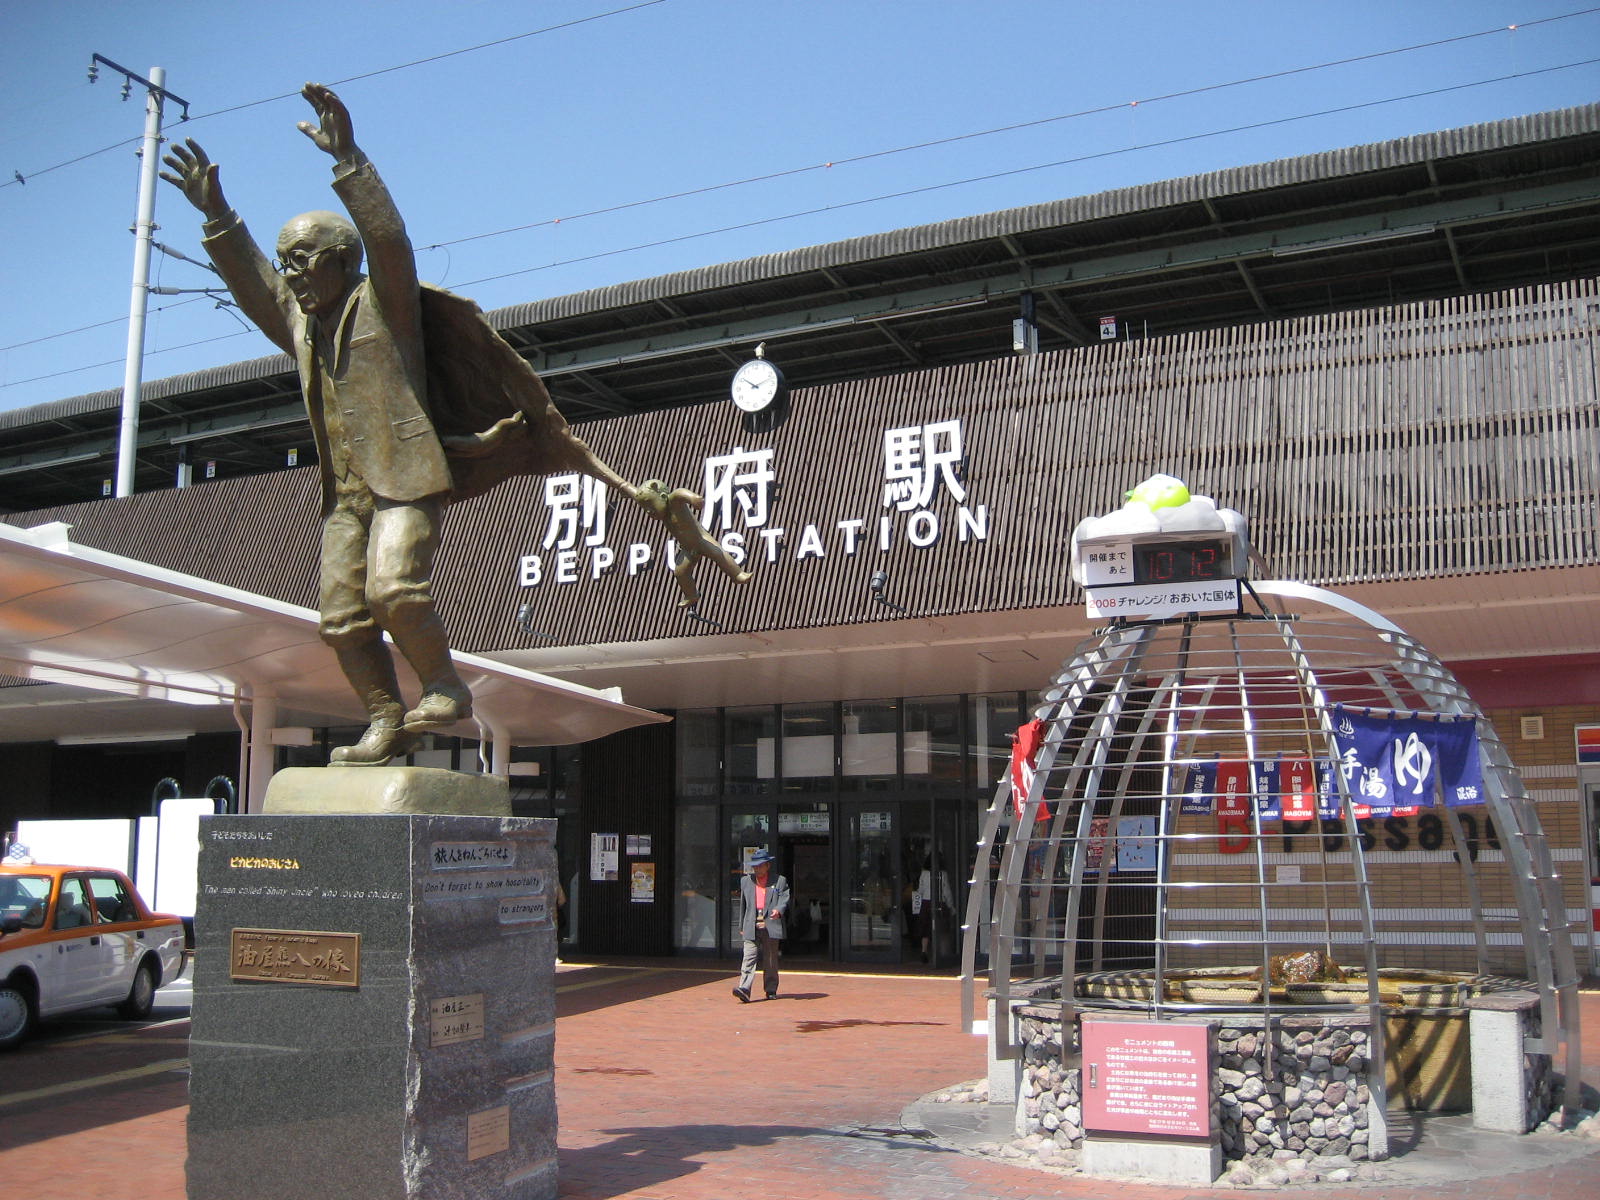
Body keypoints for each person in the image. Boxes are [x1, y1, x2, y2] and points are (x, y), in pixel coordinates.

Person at [162, 84, 746, 767]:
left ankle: (444, 690)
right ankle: (384, 716)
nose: (290, 275)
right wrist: (219, 215)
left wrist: (348, 159)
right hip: (345, 497)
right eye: (287, 261)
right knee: (341, 620)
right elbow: (254, 284)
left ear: (340, 262)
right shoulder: (300, 325)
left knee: (394, 589)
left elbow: (390, 238)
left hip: (405, 480)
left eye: (303, 260)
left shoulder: (386, 304)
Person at [733, 848, 789, 1002]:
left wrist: (778, 909)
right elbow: (743, 906)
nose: (757, 869)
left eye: (760, 866)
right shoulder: (746, 881)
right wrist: (741, 927)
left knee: (770, 960)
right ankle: (744, 988)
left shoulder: (779, 881)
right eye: (755, 866)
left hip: (770, 924)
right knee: (748, 957)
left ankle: (771, 989)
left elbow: (784, 897)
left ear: (767, 866)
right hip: (751, 924)